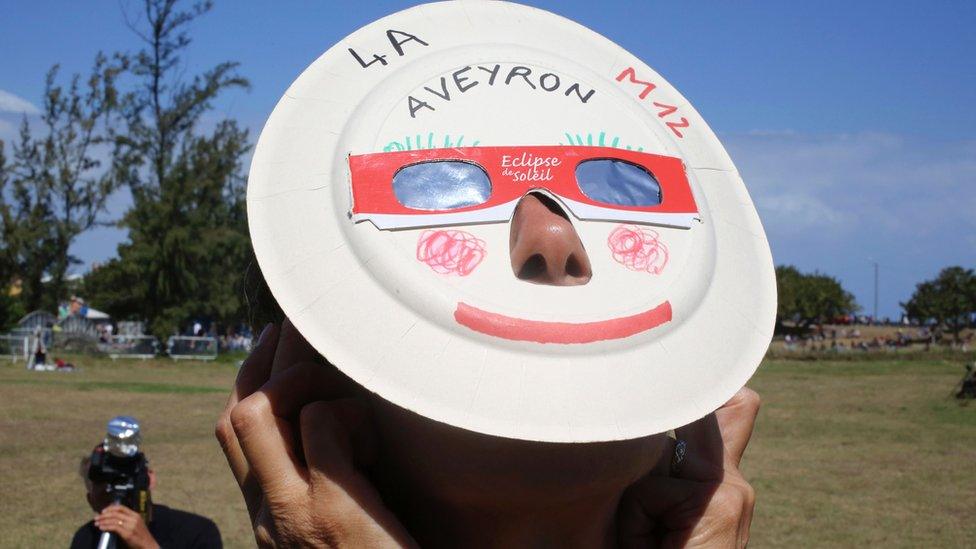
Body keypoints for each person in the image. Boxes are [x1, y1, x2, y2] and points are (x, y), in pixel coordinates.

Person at [71, 449, 222, 548]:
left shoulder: (197, 532)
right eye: (103, 486)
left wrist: (147, 546)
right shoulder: (86, 539)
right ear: (91, 501)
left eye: (126, 482)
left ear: (149, 479)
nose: (119, 500)